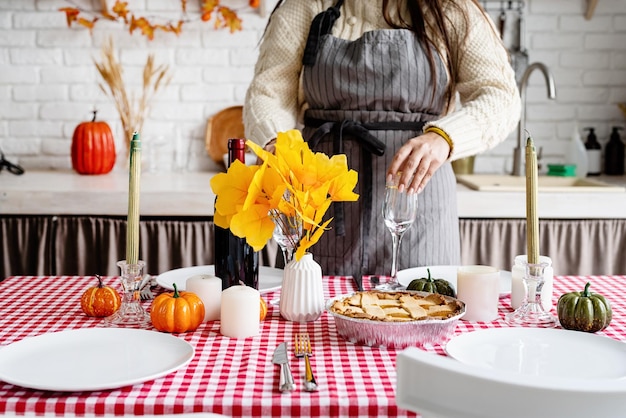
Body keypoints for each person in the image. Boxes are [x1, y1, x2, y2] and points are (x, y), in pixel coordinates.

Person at [243, 0, 521, 281]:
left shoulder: (452, 9)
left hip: (417, 200)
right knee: (312, 312)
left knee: (422, 308)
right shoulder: (307, 4)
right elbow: (269, 92)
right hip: (319, 201)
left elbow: (500, 96)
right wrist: (276, 143)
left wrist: (444, 138)